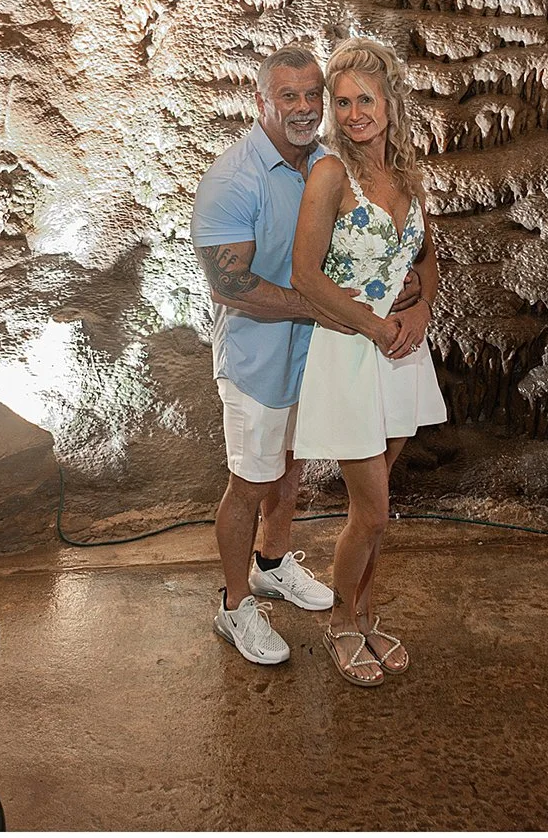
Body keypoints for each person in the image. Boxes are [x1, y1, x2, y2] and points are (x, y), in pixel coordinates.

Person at [290, 37, 445, 687]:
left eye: (365, 100)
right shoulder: (331, 175)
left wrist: (419, 314)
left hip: (402, 354)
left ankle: (365, 613)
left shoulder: (408, 175)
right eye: (343, 102)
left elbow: (429, 261)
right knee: (372, 510)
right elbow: (305, 275)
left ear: (388, 104)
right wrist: (376, 325)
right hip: (352, 351)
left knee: (379, 502)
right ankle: (337, 626)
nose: (354, 113)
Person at [189, 46, 341, 665]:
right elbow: (230, 285)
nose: (304, 108)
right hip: (256, 362)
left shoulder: (325, 164)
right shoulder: (233, 179)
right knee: (250, 483)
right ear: (262, 102)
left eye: (313, 95)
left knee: (291, 469)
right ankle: (233, 606)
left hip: (313, 356)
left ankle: (273, 564)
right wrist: (319, 306)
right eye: (290, 97)